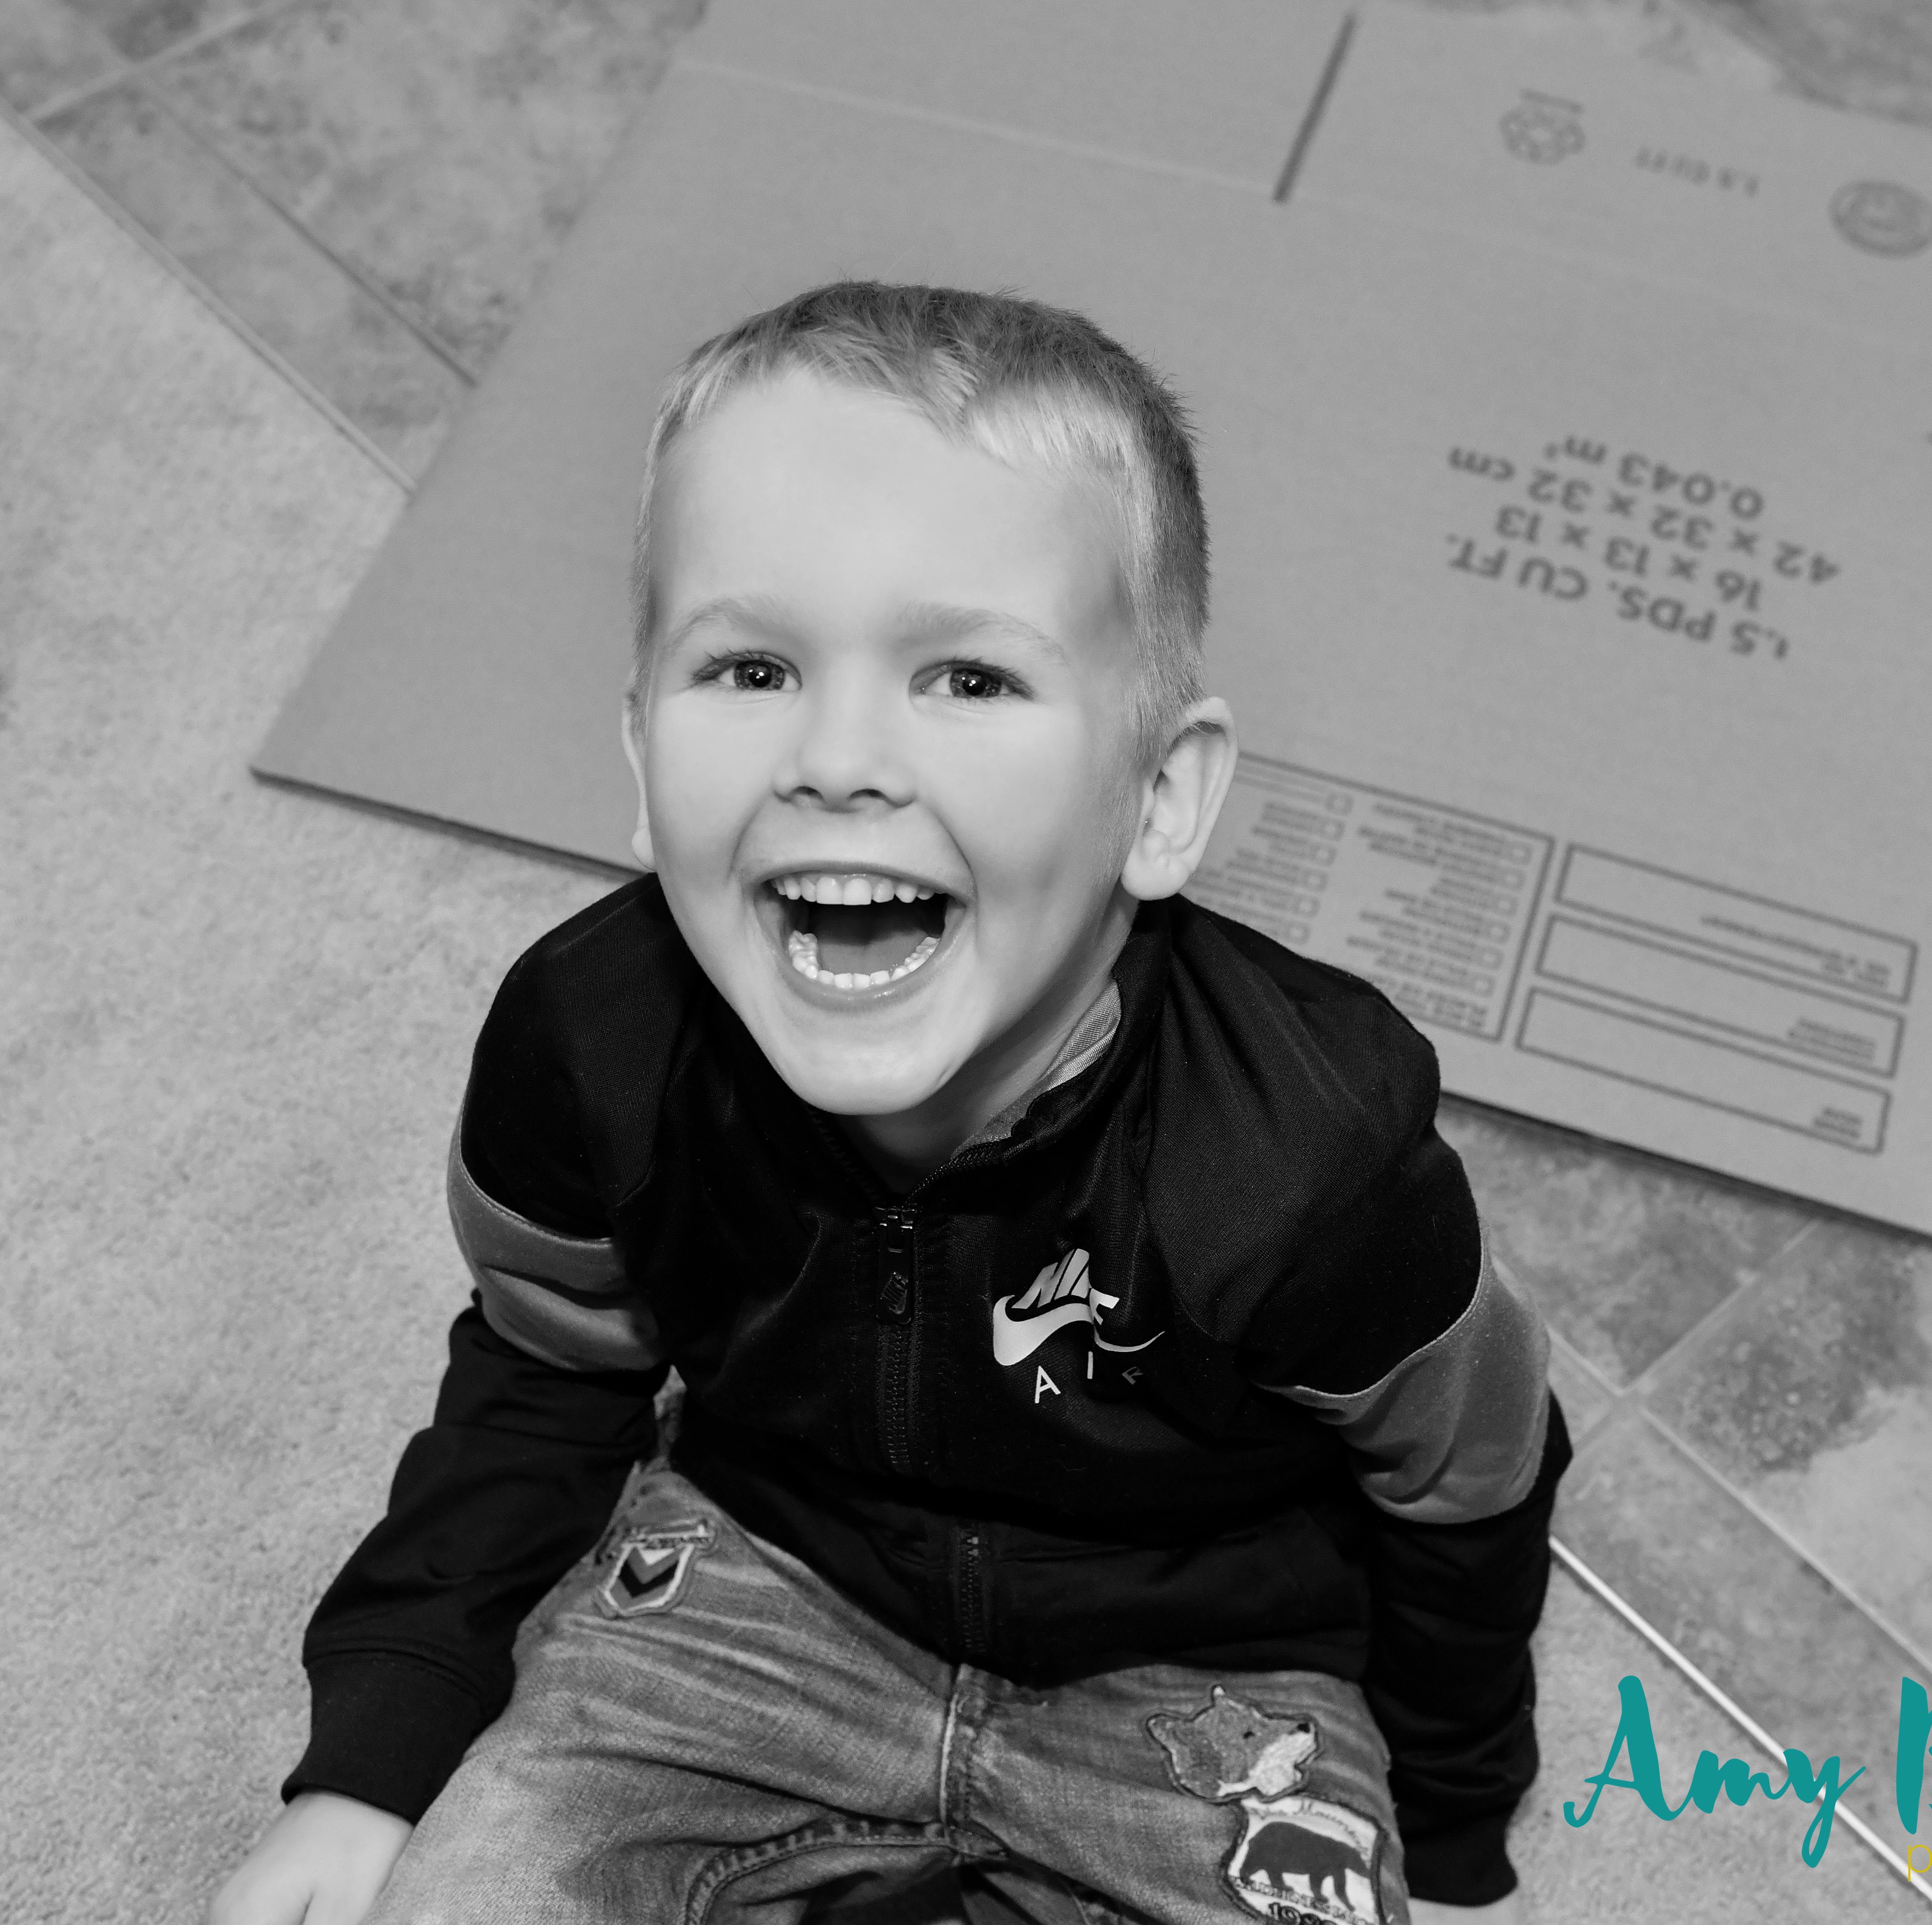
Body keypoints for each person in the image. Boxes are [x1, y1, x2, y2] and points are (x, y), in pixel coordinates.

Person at [211, 282, 1567, 1925]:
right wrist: (376, 1750)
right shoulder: (591, 1042)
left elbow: (1471, 1481)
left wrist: (1454, 1815)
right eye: (752, 666)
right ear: (640, 758)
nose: (839, 756)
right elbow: (543, 1372)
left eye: (968, 680)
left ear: (1158, 797)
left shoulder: (1310, 1150)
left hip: (1210, 1680)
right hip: (754, 1593)